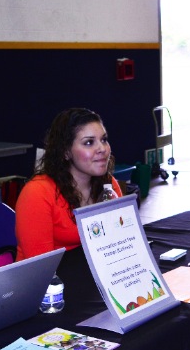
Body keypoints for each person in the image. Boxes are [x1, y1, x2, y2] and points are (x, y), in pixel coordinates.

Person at [15, 107, 122, 260]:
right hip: (49, 279)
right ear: (66, 152)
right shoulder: (37, 193)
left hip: (88, 274)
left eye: (104, 139)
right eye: (89, 142)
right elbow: (41, 267)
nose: (102, 148)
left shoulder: (109, 185)